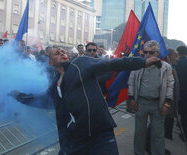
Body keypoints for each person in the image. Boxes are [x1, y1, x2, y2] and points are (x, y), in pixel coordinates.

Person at [11, 46, 160, 154]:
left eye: (63, 51)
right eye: (57, 53)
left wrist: (141, 62)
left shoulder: (80, 64)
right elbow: (41, 100)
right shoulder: (55, 85)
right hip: (76, 137)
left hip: (100, 132)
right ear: (51, 62)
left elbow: (111, 64)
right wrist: (18, 95)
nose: (62, 52)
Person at [128, 40, 174, 155]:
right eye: (145, 52)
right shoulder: (138, 65)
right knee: (139, 132)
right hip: (141, 103)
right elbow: (131, 82)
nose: (147, 55)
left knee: (158, 134)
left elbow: (170, 85)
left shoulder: (166, 67)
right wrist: (132, 98)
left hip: (158, 103)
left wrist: (167, 103)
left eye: (151, 52)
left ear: (157, 53)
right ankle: (138, 152)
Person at [176, 45, 187, 143]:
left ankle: (184, 134)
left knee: (182, 114)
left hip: (180, 93)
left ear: (178, 53)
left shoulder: (176, 64)